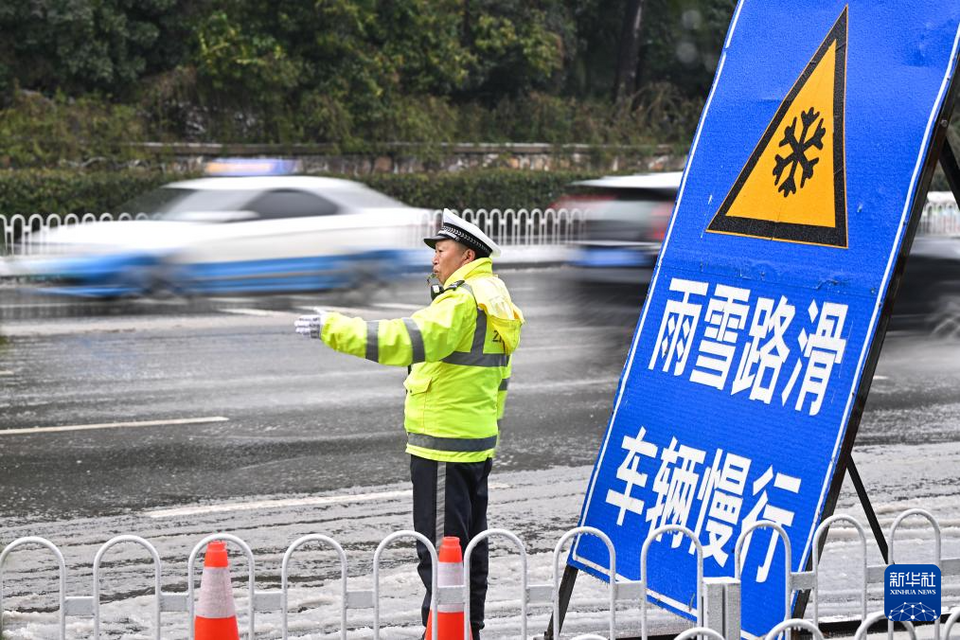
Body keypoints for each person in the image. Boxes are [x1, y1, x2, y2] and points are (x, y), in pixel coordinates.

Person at [295, 210, 524, 639]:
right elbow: (499, 381)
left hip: (442, 446)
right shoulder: (495, 298)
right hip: (475, 443)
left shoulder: (460, 302)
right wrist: (487, 431)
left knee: (440, 552)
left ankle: (443, 632)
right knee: (471, 547)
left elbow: (404, 340)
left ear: (467, 254)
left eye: (442, 251)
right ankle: (469, 628)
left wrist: (333, 327)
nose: (435, 259)